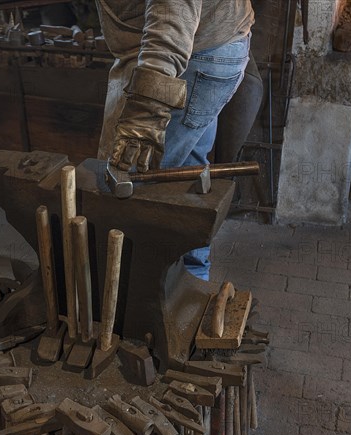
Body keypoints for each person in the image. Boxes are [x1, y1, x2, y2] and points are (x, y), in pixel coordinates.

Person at [95, 1, 255, 280]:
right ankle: (191, 280)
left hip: (191, 52)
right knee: (185, 175)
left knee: (127, 186)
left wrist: (146, 115)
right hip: (210, 44)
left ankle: (133, 296)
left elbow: (172, 13)